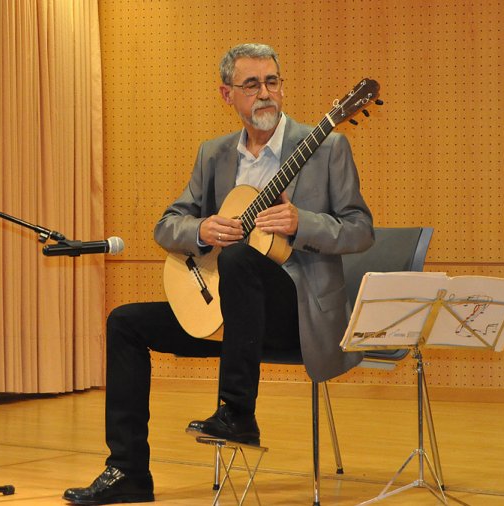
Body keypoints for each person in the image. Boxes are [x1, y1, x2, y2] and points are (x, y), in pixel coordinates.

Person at [63, 43, 374, 505]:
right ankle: (127, 471)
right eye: (251, 84)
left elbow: (360, 230)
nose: (265, 93)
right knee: (124, 322)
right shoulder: (214, 155)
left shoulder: (327, 147)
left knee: (240, 259)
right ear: (227, 94)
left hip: (297, 318)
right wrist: (202, 230)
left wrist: (301, 222)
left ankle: (237, 413)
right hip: (228, 318)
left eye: (272, 81)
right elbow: (166, 225)